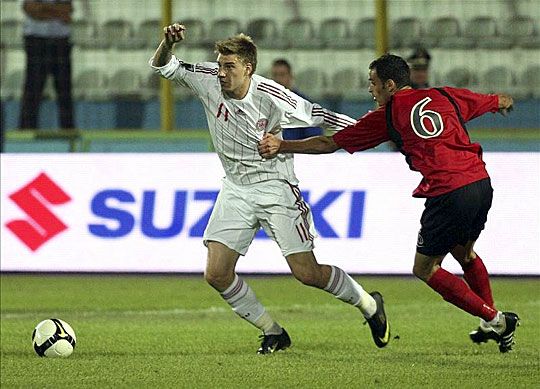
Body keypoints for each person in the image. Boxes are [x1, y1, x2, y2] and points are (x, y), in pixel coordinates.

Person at [150, 23, 391, 354]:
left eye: (229, 66)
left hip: (276, 187)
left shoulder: (272, 95)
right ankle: (273, 331)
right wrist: (167, 43)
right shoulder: (207, 78)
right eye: (220, 65)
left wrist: (377, 129)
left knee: (307, 273)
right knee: (217, 273)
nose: (221, 73)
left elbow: (321, 116)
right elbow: (164, 66)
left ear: (248, 68)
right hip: (235, 188)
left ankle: (368, 304)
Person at [258, 53, 519, 353]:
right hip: (480, 183)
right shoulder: (444, 95)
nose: (370, 90)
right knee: (465, 253)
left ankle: (496, 319)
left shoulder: (388, 114)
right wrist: (502, 102)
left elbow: (329, 143)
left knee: (425, 269)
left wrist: (282, 145)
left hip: (448, 191)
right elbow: (495, 101)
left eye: (373, 83)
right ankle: (493, 321)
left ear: (390, 85)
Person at [19, 0, 75, 130]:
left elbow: (67, 9)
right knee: (32, 89)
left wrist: (43, 10)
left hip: (60, 41)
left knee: (65, 90)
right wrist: (57, 13)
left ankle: (68, 132)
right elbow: (31, 9)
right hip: (36, 39)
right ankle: (27, 131)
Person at [270, 59, 323, 140]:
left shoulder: (304, 105)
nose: (278, 79)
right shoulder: (264, 103)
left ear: (291, 76)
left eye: (282, 75)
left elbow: (314, 138)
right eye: (275, 75)